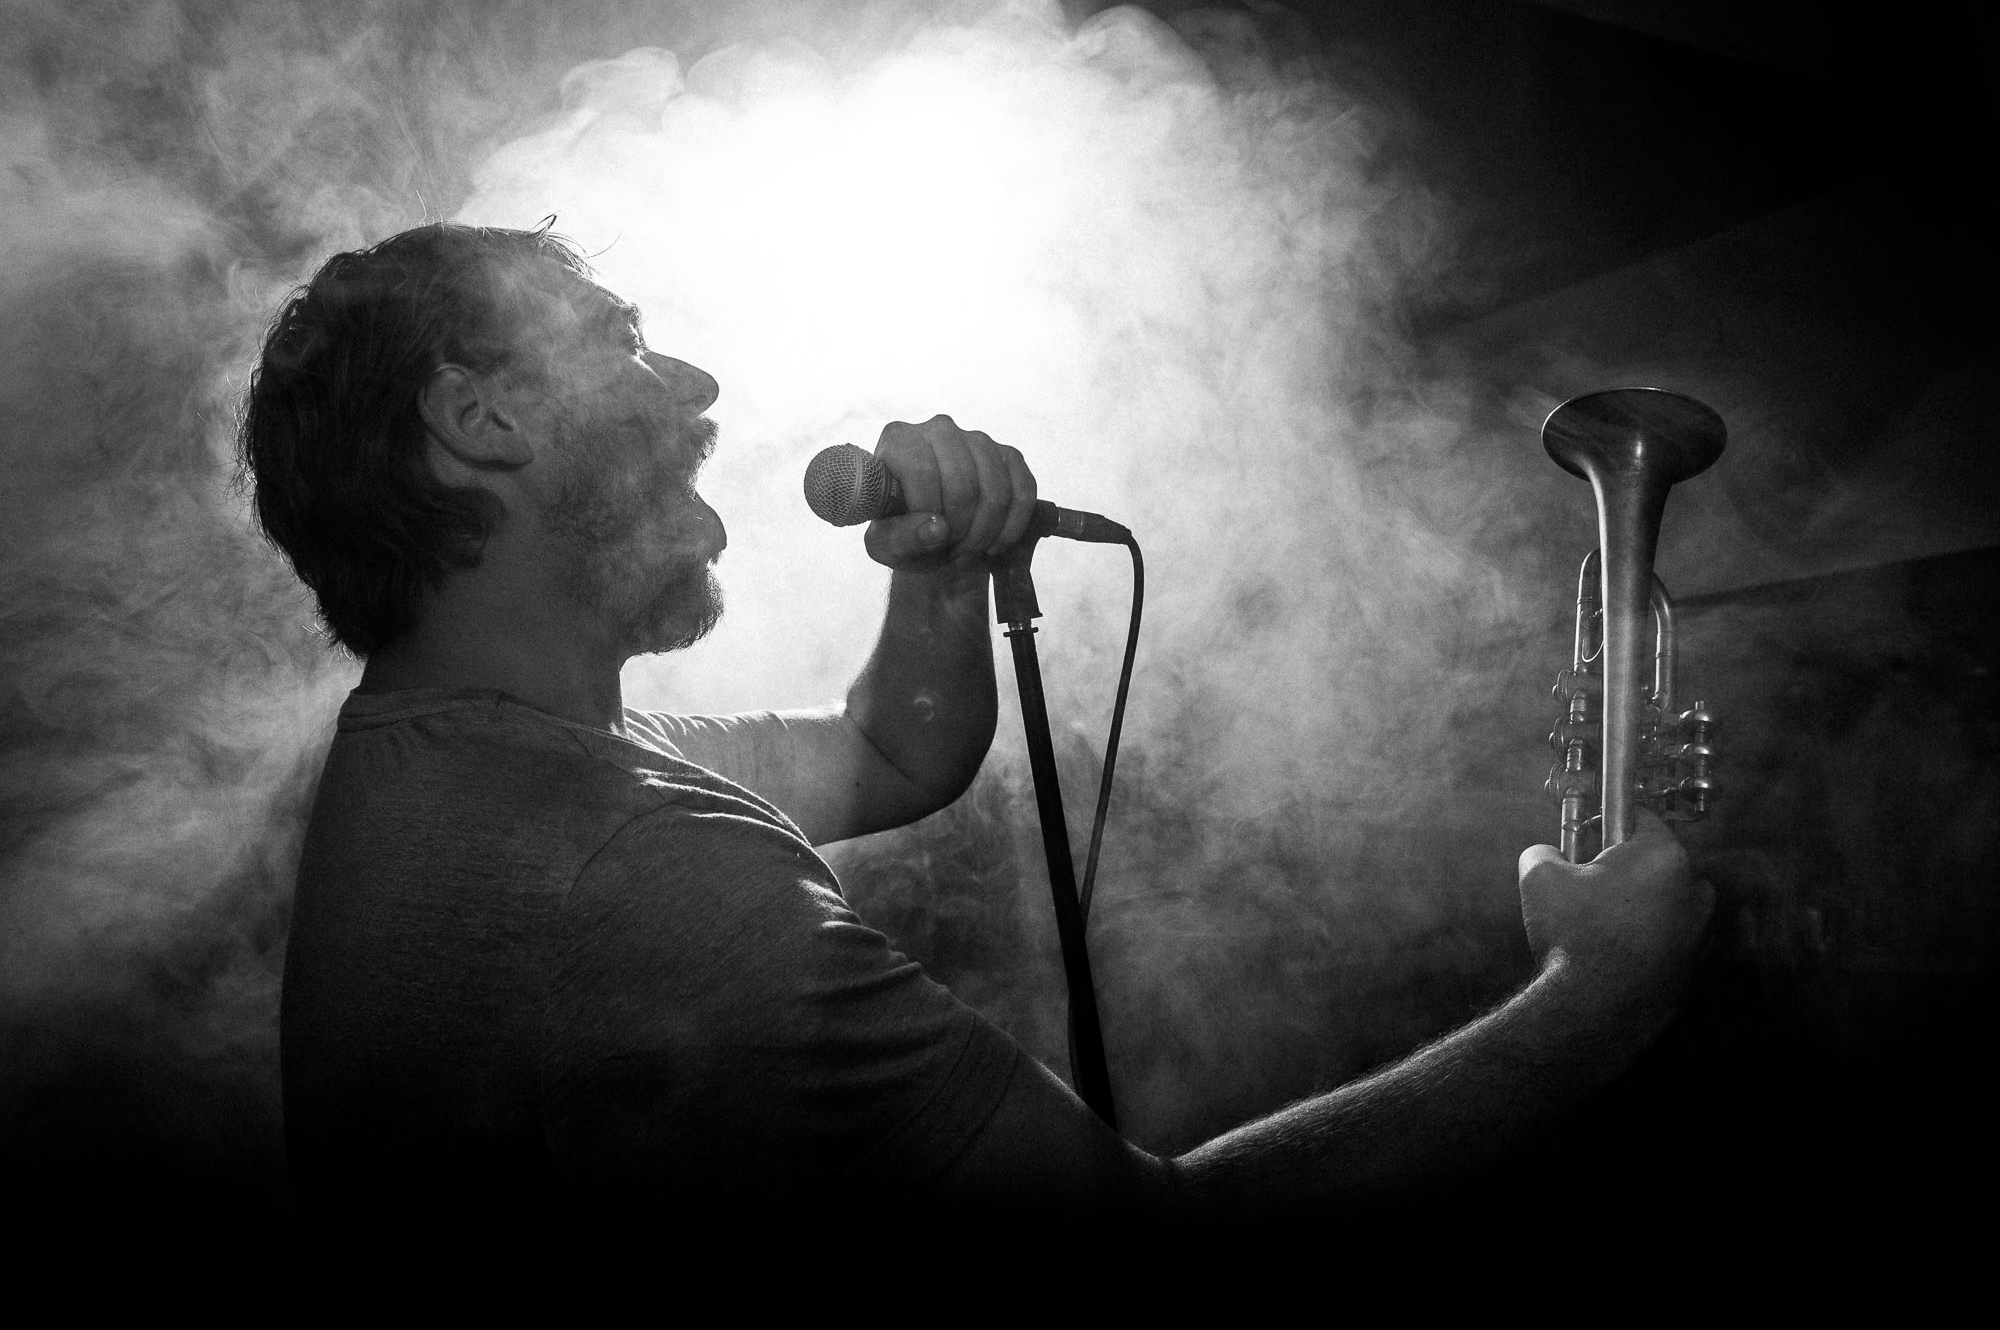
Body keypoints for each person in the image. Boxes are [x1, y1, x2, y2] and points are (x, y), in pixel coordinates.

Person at [241, 222, 1710, 1245]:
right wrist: (1595, 997)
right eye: (618, 344)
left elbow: (892, 752)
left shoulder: (458, 758)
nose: (689, 386)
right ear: (479, 418)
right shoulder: (630, 864)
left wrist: (941, 576)